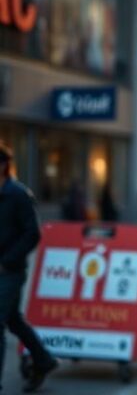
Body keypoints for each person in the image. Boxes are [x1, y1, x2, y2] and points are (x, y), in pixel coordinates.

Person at [0, 143, 58, 392]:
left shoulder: (18, 194)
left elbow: (33, 233)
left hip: (9, 271)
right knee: (13, 320)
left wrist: (8, 261)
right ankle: (44, 360)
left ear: (3, 166)